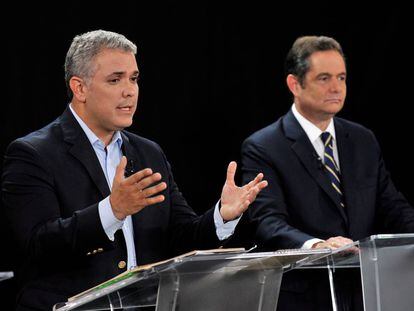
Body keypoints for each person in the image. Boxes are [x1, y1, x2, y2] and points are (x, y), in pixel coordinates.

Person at [1, 29, 267, 310]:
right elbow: (37, 246)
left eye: (134, 78)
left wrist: (222, 216)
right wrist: (112, 211)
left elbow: (181, 237)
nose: (130, 90)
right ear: (79, 88)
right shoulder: (33, 153)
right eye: (115, 80)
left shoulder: (148, 152)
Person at [241, 35, 414, 311]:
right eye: (324, 78)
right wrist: (317, 246)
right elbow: (267, 222)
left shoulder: (362, 140)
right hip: (304, 295)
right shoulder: (264, 147)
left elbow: (392, 207)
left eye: (342, 78)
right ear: (294, 84)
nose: (337, 88)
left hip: (366, 293)